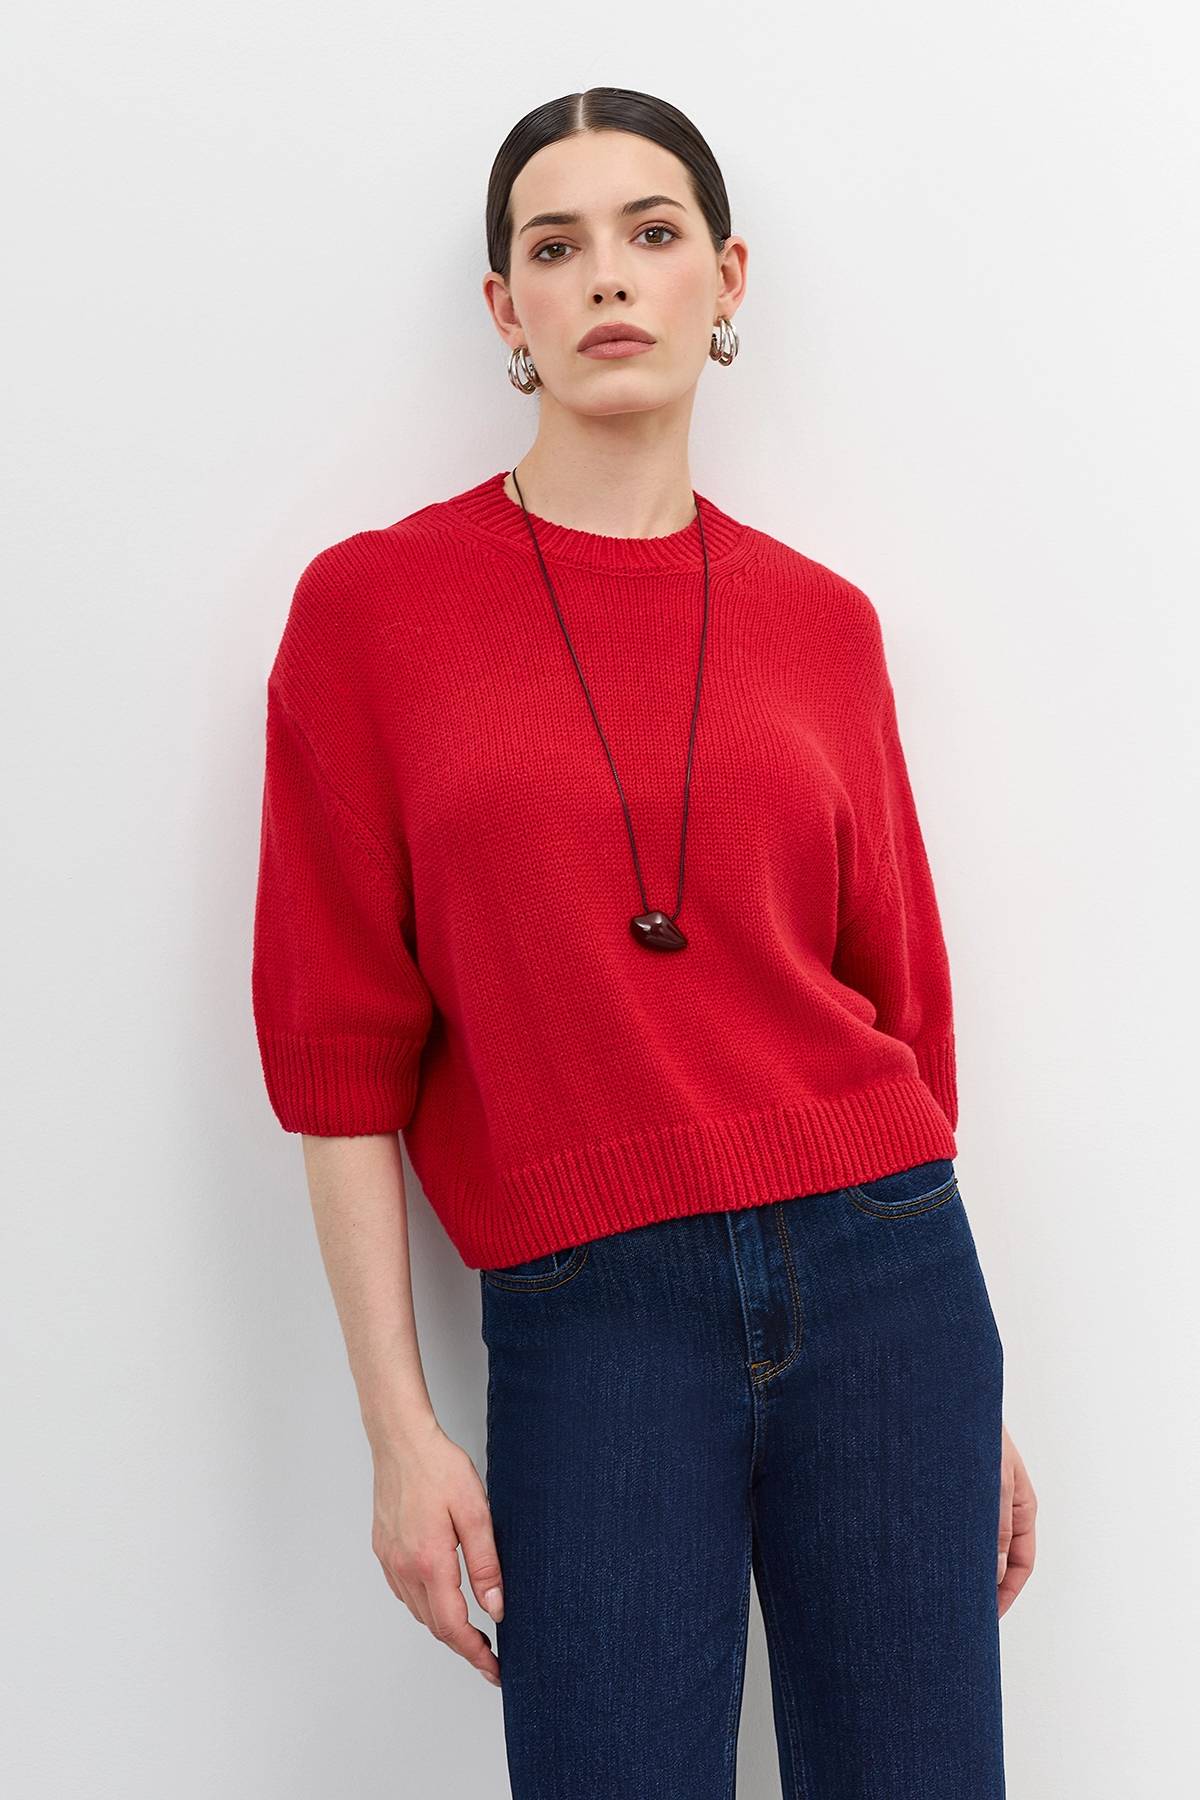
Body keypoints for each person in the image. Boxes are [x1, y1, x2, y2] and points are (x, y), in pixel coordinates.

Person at [251, 84, 1037, 1798]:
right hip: (591, 1314)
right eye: (557, 245)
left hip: (890, 1278)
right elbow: (336, 1055)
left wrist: (969, 1403)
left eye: (652, 232)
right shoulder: (369, 613)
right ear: (506, 308)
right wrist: (400, 1434)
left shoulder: (824, 626)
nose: (607, 275)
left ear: (724, 280)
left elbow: (906, 1015)